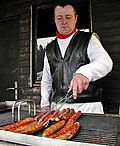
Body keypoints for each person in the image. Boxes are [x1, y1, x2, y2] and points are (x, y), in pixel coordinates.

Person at [40, 3, 113, 114]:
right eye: (59, 18)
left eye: (68, 17)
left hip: (88, 108)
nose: (64, 22)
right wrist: (45, 103)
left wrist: (84, 72)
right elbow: (47, 80)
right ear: (54, 20)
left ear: (76, 18)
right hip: (58, 108)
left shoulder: (89, 39)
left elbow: (106, 62)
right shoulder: (49, 48)